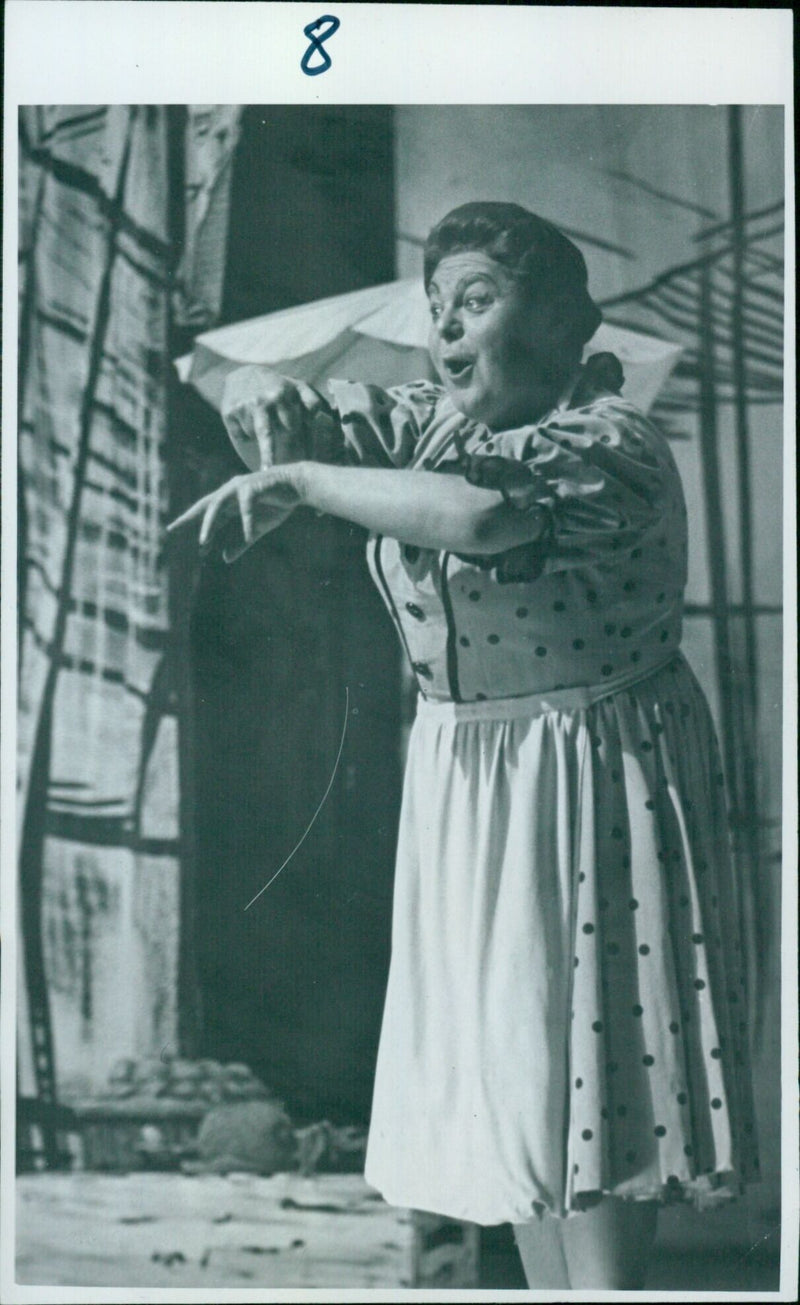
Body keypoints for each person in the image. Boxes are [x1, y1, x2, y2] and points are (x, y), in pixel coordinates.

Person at [168, 202, 760, 1289]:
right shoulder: (435, 424)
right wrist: (269, 398)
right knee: (515, 1109)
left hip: (584, 774)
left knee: (589, 1091)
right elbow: (327, 413)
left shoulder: (609, 446)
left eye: (476, 302)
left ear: (566, 323)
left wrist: (300, 484)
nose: (445, 331)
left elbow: (480, 521)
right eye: (436, 308)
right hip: (474, 783)